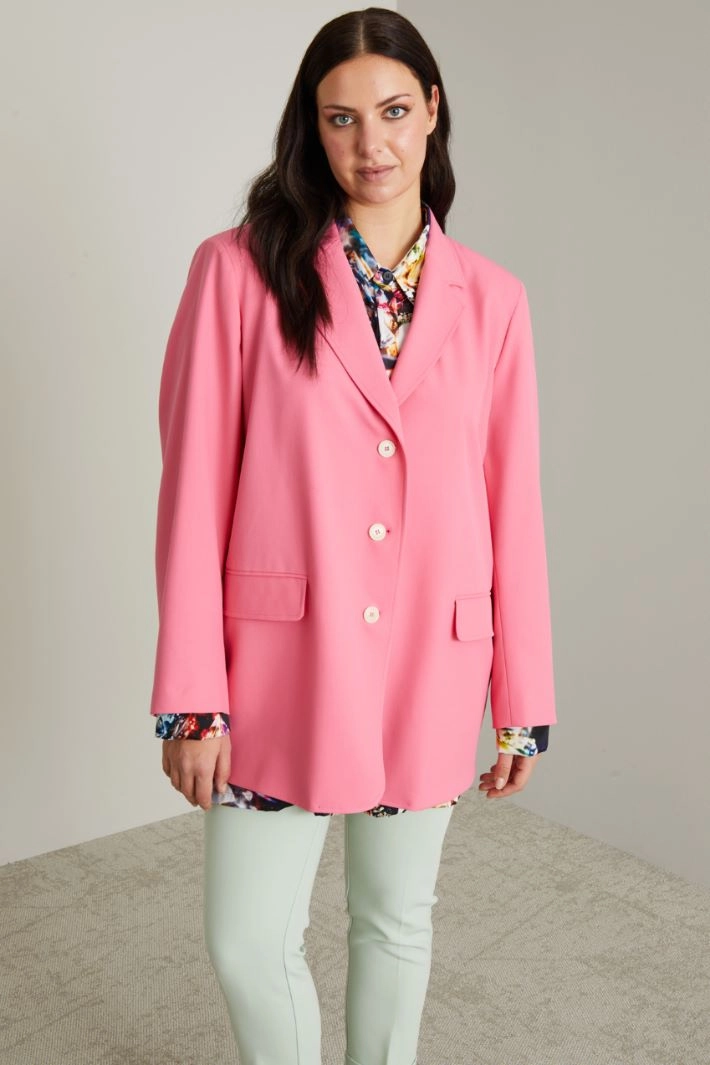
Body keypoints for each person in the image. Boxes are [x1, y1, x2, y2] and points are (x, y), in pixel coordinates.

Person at [149, 7, 557, 1064]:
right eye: (341, 119)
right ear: (312, 128)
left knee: (395, 922)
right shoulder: (236, 272)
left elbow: (512, 506)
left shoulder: (494, 301)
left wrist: (522, 699)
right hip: (280, 661)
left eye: (393, 111)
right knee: (249, 941)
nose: (371, 144)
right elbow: (193, 491)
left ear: (433, 112)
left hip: (432, 657)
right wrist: (192, 695)